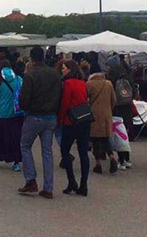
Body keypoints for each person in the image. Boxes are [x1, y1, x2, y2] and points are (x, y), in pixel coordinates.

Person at [17, 46, 62, 199]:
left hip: (35, 115)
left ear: (31, 58)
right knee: (47, 152)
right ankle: (48, 187)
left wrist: (25, 108)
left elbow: (24, 98)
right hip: (51, 116)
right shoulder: (54, 74)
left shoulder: (30, 75)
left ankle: (31, 180)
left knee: (25, 146)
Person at [57, 59, 90, 196]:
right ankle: (84, 184)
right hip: (84, 119)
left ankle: (72, 181)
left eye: (64, 68)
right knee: (83, 153)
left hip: (71, 121)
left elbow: (65, 103)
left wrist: (60, 119)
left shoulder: (67, 83)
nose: (62, 70)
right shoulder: (82, 83)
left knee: (65, 150)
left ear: (69, 69)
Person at [0, 60, 24, 171]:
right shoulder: (18, 79)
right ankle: (16, 162)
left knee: (1, 138)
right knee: (15, 138)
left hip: (2, 114)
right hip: (17, 113)